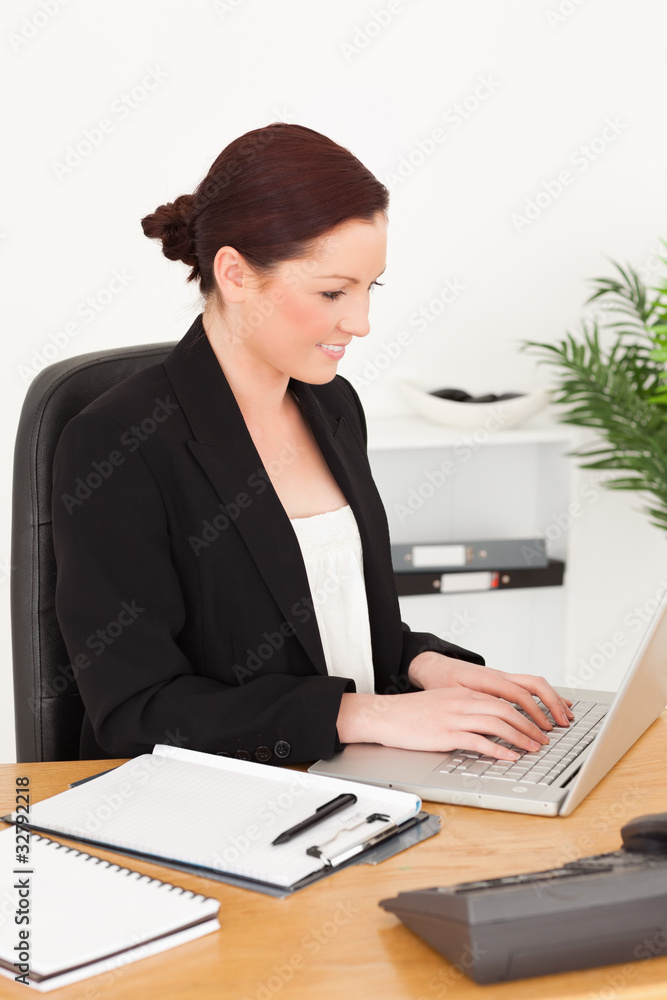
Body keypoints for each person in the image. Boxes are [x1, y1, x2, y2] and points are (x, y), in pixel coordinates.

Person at [52, 122, 573, 763]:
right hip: (220, 802)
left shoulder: (332, 405)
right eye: (333, 292)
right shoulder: (117, 444)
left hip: (353, 772)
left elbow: (334, 627)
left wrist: (425, 666)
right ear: (237, 273)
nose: (360, 322)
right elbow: (137, 712)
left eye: (368, 288)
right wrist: (365, 713)